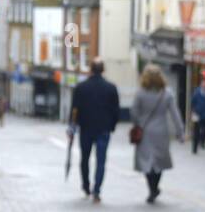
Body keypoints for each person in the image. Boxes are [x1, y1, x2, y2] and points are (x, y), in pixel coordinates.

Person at [131, 63, 184, 204]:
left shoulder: (140, 93)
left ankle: (152, 188)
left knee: (146, 161)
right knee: (159, 161)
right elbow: (175, 114)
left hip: (145, 131)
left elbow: (134, 112)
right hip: (161, 132)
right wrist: (180, 132)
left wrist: (137, 123)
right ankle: (155, 187)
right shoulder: (167, 93)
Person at [68, 58, 120, 203]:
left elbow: (74, 110)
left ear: (90, 69)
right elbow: (116, 111)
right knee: (101, 161)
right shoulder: (111, 88)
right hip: (104, 129)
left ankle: (86, 185)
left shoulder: (81, 87)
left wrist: (72, 127)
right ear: (103, 70)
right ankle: (97, 190)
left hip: (85, 128)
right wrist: (113, 126)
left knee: (84, 158)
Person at [190, 69, 205, 154]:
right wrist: (194, 110)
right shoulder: (197, 92)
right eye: (203, 83)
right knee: (196, 130)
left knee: (204, 129)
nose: (204, 84)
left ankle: (202, 142)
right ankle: (195, 147)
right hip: (197, 114)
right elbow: (193, 102)